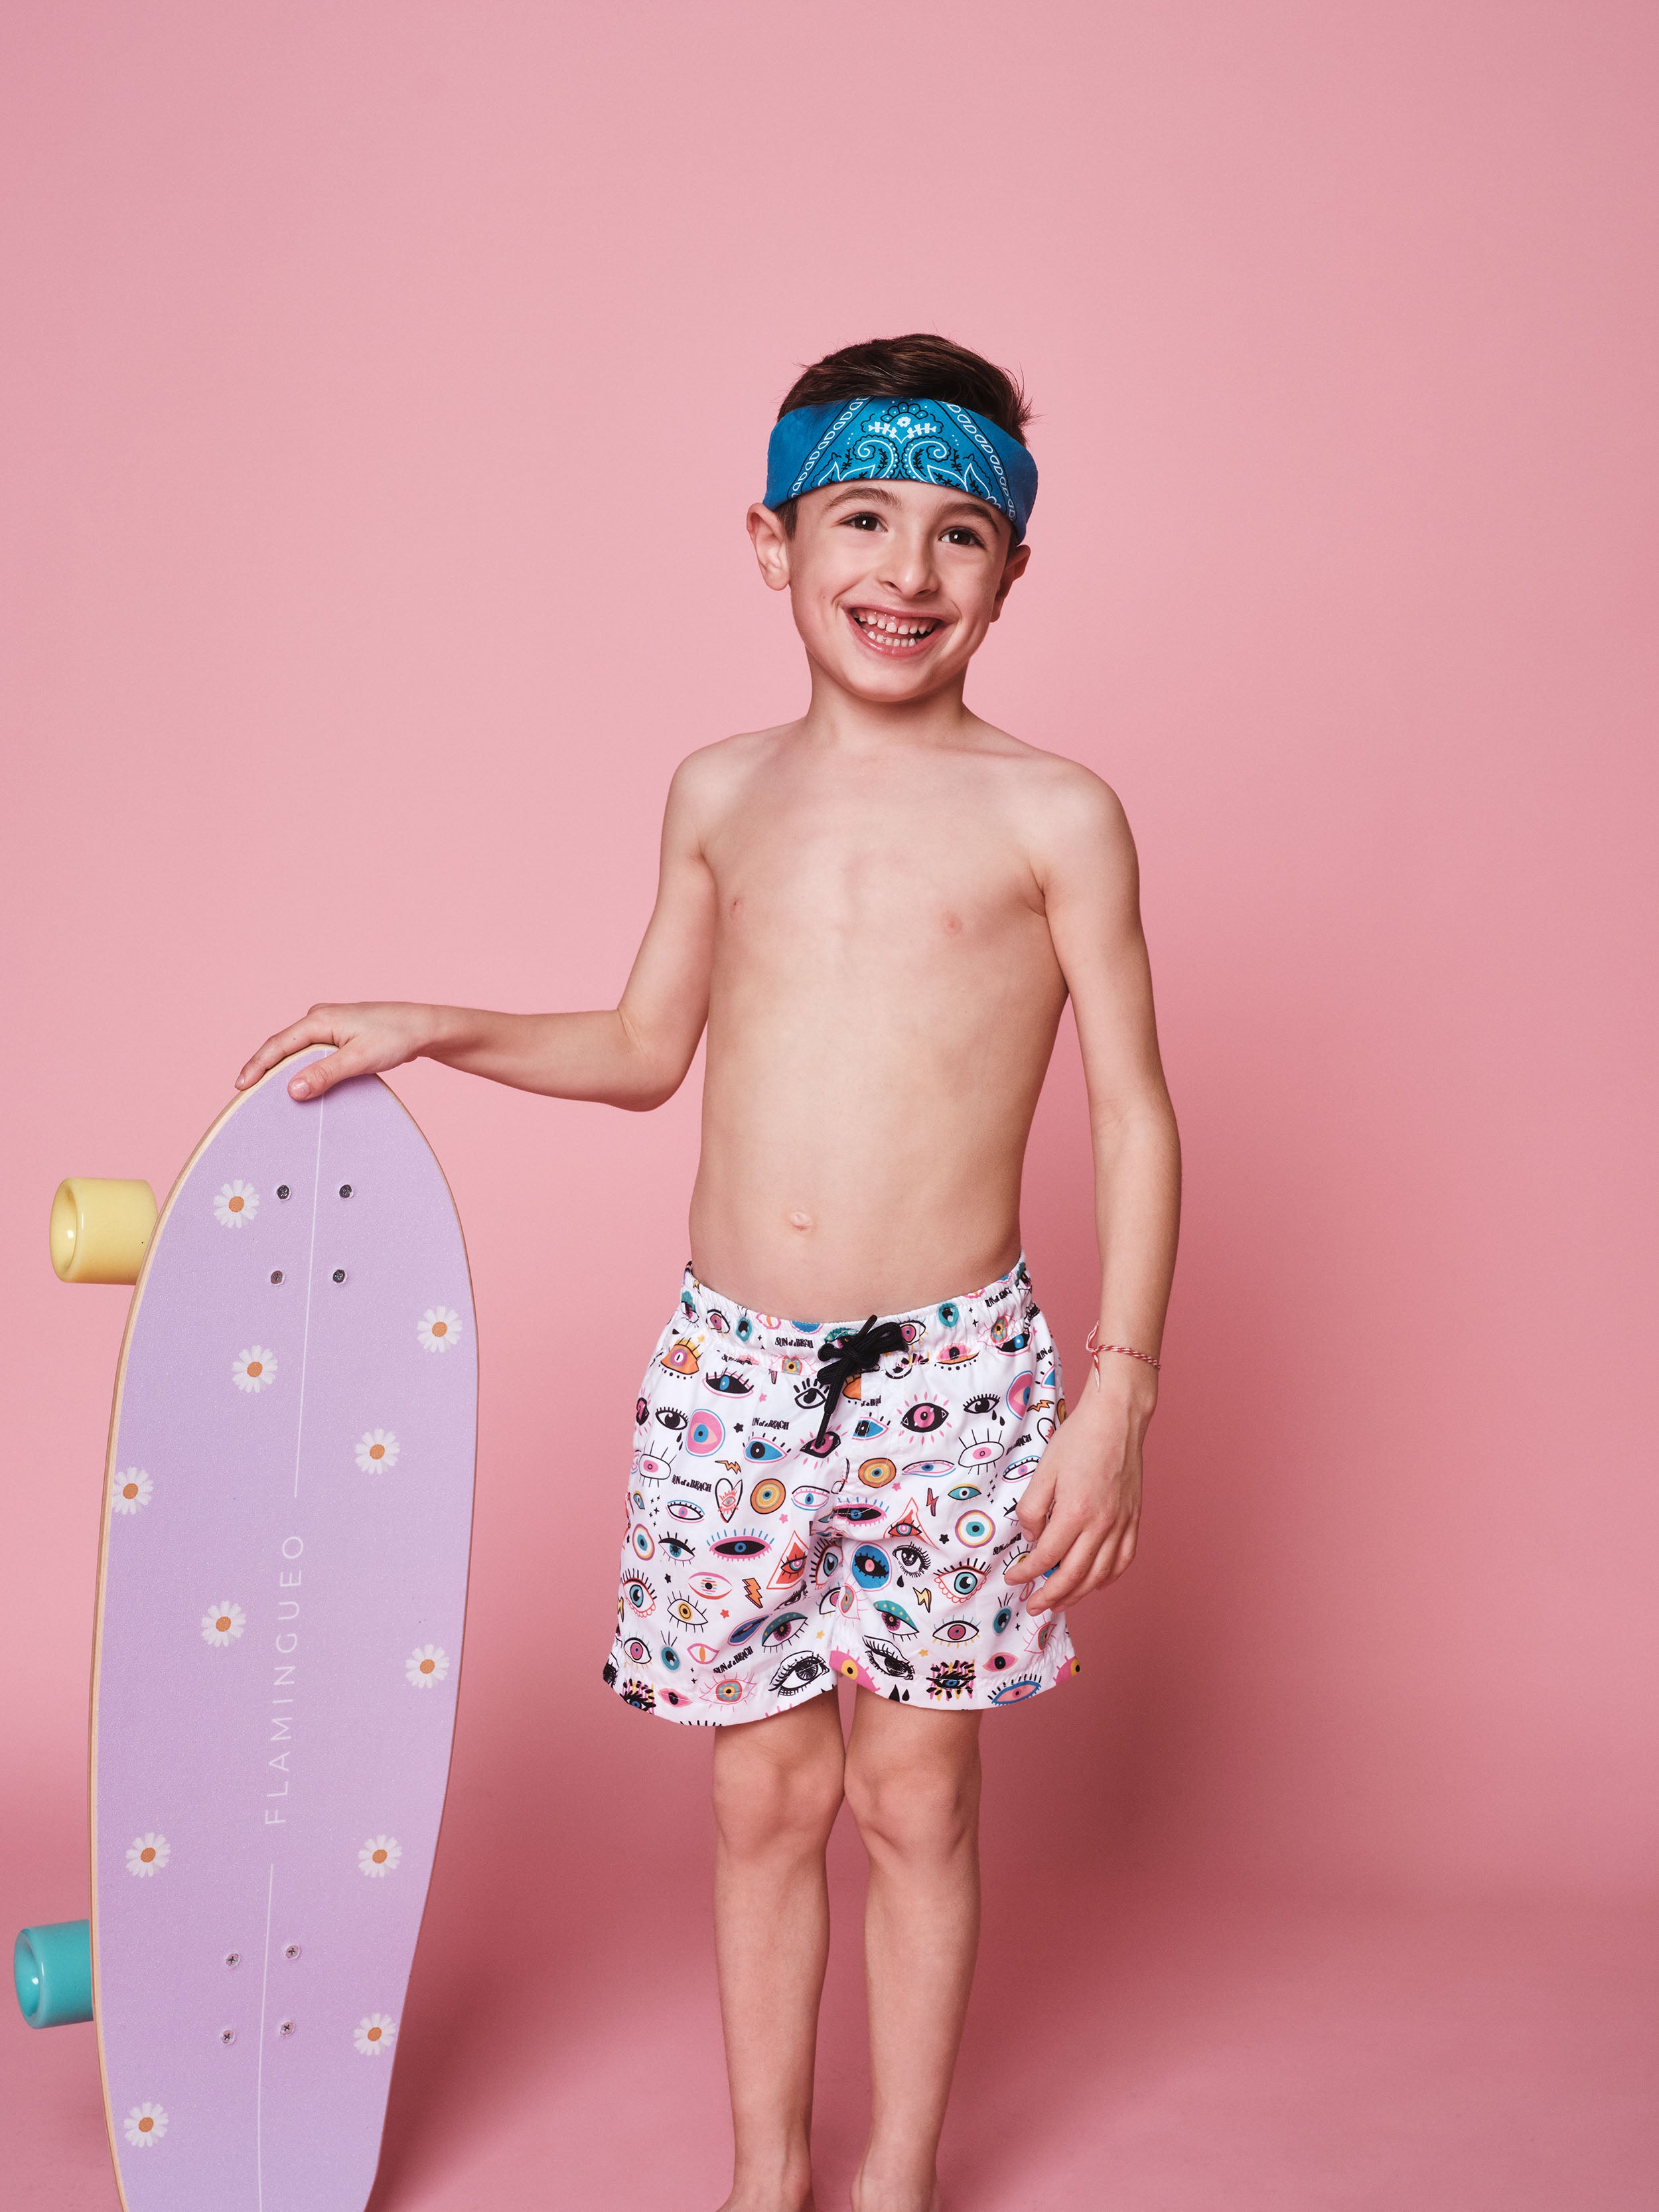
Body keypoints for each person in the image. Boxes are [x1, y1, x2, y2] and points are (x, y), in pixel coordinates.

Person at [236, 332, 1181, 2212]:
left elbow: (1136, 1113)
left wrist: (1119, 1393)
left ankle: (895, 2179)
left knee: (914, 1794)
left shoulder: (1053, 812)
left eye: (959, 533)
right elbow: (643, 1047)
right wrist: (435, 1022)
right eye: (861, 517)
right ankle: (765, 2179)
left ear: (1011, 573)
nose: (906, 569)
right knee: (763, 1794)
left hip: (950, 1377)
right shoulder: (720, 794)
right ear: (772, 542)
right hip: (732, 1371)